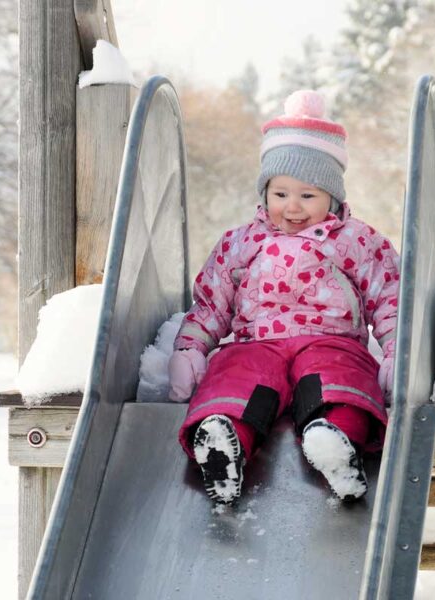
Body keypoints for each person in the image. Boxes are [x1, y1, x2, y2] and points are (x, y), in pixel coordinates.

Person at [168, 89, 399, 504]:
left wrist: (399, 351)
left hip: (330, 340)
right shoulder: (241, 242)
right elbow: (213, 301)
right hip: (256, 343)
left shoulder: (355, 240)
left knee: (336, 378)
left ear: (332, 196)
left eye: (308, 195)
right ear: (265, 193)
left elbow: (390, 296)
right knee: (238, 375)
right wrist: (191, 347)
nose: (293, 207)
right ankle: (224, 443)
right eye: (280, 194)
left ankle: (337, 441)